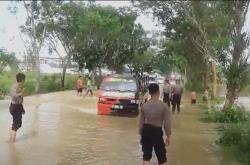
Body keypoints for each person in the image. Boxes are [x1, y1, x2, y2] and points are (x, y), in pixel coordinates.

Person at [139, 83, 171, 165]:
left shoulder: (144, 106)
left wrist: (141, 134)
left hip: (146, 130)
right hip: (157, 131)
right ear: (158, 92)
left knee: (146, 156)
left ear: (149, 92)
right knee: (162, 158)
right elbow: (167, 123)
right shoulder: (164, 106)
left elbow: (141, 122)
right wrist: (168, 136)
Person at [7, 73, 26, 143]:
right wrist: (21, 93)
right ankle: (12, 142)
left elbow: (19, 99)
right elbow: (14, 96)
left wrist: (22, 108)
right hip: (15, 107)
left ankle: (10, 140)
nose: (24, 81)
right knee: (17, 124)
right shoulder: (15, 87)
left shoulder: (18, 86)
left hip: (16, 106)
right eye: (24, 80)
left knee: (15, 123)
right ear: (22, 80)